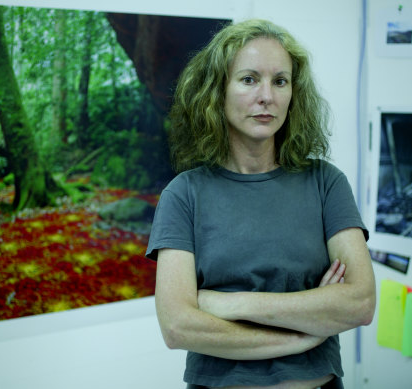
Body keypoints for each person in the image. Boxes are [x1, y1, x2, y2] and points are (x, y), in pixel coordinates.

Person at [145, 19, 376, 389]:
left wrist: (230, 305)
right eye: (249, 79)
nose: (266, 96)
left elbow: (360, 303)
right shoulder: (183, 194)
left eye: (280, 81)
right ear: (217, 92)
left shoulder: (326, 183)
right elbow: (178, 326)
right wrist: (304, 330)